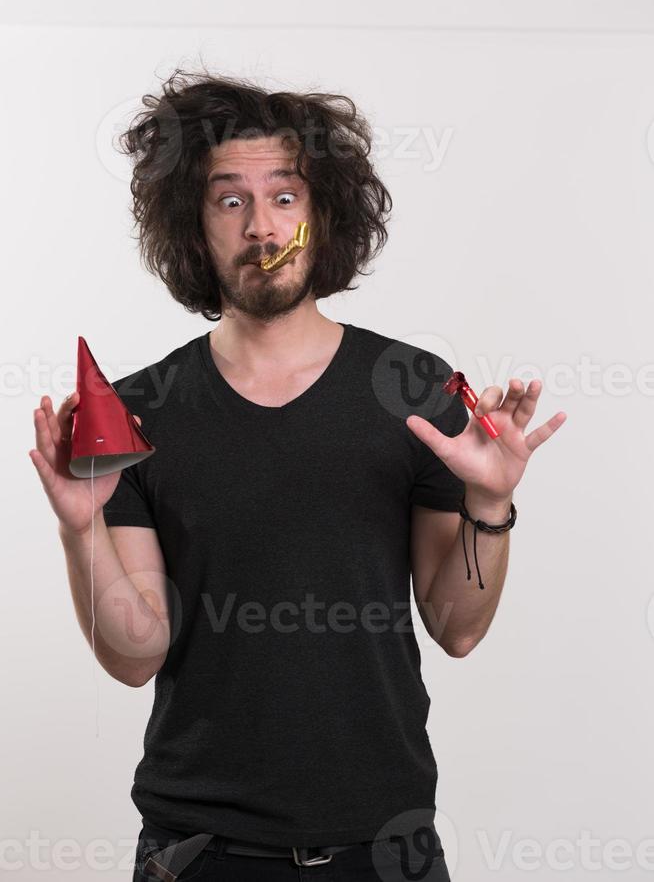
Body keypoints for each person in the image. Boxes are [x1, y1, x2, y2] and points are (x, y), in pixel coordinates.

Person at [30, 70, 564, 880]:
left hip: (384, 849)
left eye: (285, 196)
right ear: (194, 226)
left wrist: (490, 500)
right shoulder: (145, 411)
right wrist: (82, 530)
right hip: (198, 851)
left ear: (322, 214)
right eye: (229, 200)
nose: (260, 225)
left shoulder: (411, 389)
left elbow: (457, 628)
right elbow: (135, 653)